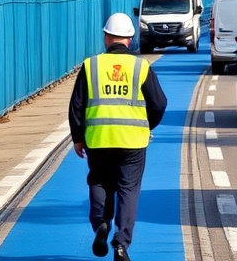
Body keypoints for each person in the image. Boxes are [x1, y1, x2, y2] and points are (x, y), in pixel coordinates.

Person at [69, 13, 168, 260]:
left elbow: (77, 106)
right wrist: (146, 127)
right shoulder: (141, 66)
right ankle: (121, 243)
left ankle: (101, 224)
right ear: (130, 39)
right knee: (128, 190)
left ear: (106, 37)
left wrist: (78, 137)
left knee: (100, 181)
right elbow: (159, 103)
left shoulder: (91, 65)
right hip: (133, 141)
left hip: (99, 139)